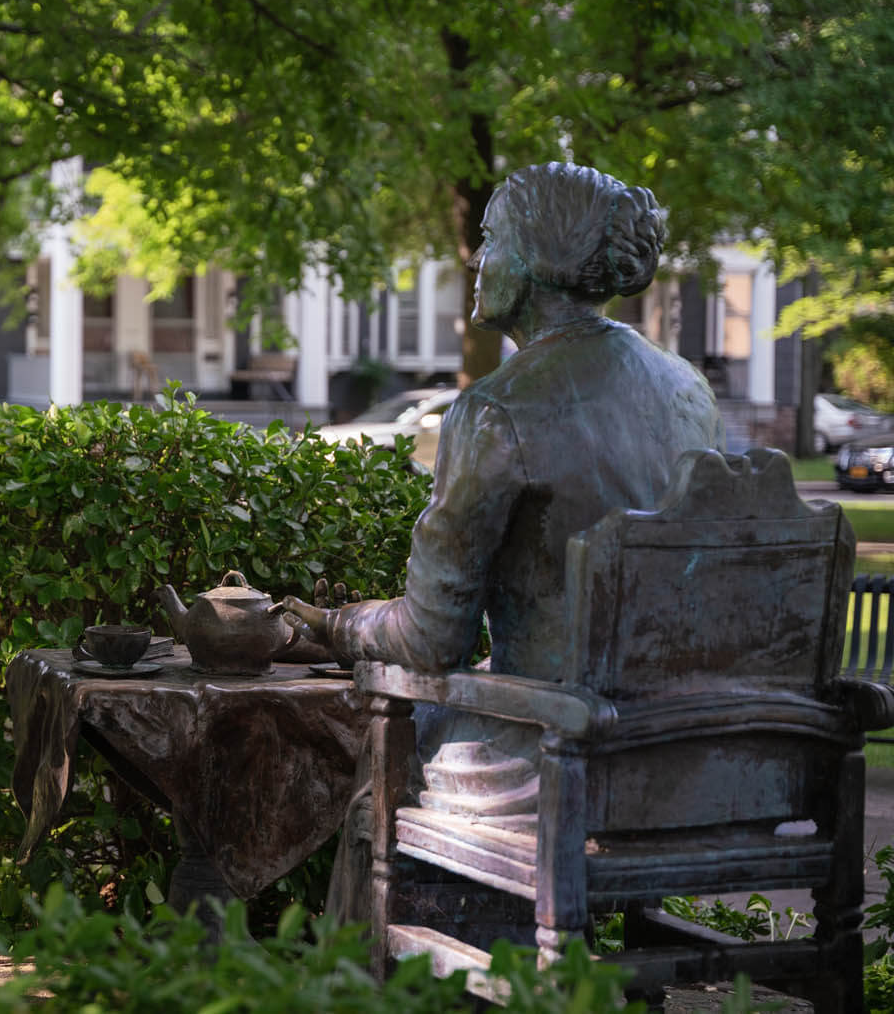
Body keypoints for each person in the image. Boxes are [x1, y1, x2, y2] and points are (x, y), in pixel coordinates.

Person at [282, 162, 724, 918]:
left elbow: (428, 640)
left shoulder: (495, 411)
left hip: (550, 758)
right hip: (684, 757)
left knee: (379, 783)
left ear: (540, 257)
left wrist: (335, 623)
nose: (476, 259)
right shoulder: (687, 389)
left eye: (490, 238)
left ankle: (393, 992)